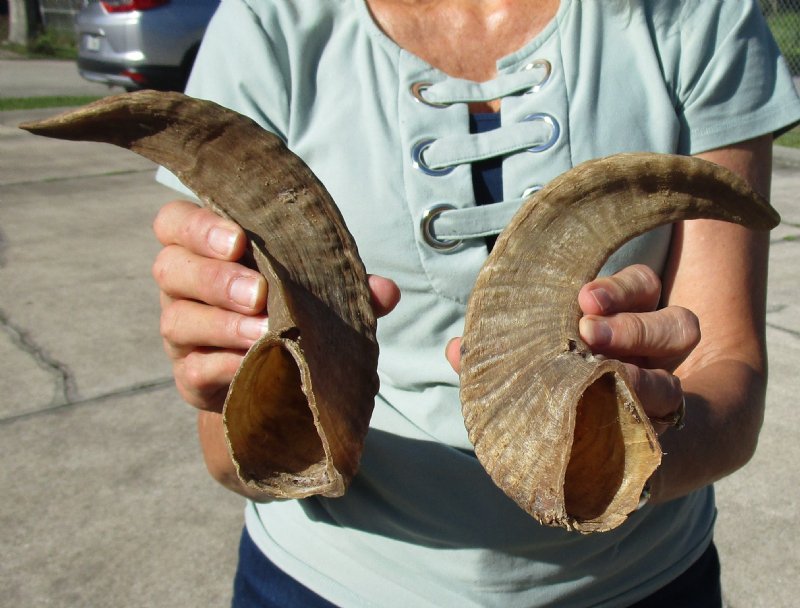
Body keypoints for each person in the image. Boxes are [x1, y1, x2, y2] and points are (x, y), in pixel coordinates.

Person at [151, 1, 800, 606]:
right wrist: (239, 390)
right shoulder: (270, 23)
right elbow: (224, 449)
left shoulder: (689, 13)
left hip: (641, 581)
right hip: (323, 582)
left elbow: (727, 359)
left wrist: (626, 449)